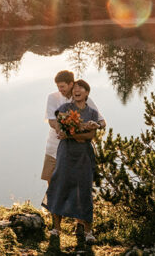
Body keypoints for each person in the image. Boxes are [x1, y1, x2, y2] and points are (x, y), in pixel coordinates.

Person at [43, 79, 102, 245]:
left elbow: (89, 137)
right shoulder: (64, 109)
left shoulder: (92, 113)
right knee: (59, 185)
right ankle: (56, 228)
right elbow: (61, 130)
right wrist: (79, 132)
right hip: (65, 153)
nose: (77, 90)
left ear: (87, 93)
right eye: (75, 88)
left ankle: (88, 232)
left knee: (84, 190)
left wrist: (72, 134)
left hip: (84, 155)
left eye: (81, 88)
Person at [41, 70, 104, 186]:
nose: (60, 89)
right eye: (58, 86)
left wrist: (94, 125)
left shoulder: (85, 99)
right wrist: (61, 131)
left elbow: (100, 120)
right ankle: (51, 204)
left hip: (74, 147)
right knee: (51, 178)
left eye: (62, 86)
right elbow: (52, 121)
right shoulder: (52, 97)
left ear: (71, 84)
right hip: (54, 145)